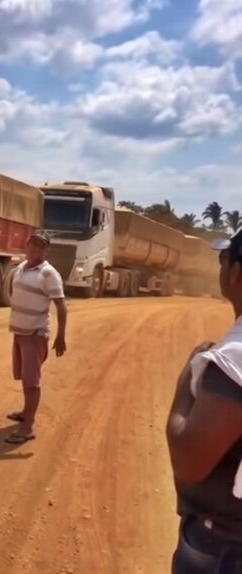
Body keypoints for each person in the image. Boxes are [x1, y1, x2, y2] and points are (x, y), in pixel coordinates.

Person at [168, 228, 242, 572]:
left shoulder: (233, 359)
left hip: (224, 545)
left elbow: (189, 462)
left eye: (222, 258)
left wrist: (187, 377)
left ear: (235, 274)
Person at [5, 229, 68, 444]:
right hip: (20, 332)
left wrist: (60, 335)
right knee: (25, 377)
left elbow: (61, 305)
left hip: (35, 333)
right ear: (26, 245)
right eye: (33, 243)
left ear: (47, 250)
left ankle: (28, 427)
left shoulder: (49, 273)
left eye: (41, 245)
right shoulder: (21, 267)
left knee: (32, 383)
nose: (36, 248)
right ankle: (25, 412)